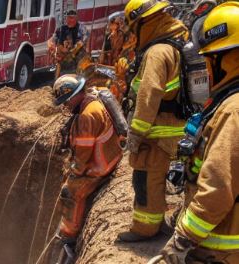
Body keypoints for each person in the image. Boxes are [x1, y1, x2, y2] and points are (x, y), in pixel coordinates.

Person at [159, 3, 239, 263]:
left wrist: (183, 238)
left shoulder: (233, 111)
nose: (205, 69)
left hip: (219, 252)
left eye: (207, 60)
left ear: (226, 59)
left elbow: (217, 190)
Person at [117, 0, 190, 242]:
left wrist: (136, 134)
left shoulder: (158, 52)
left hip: (157, 131)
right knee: (159, 177)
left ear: (143, 23)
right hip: (175, 127)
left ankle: (145, 230)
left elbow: (149, 94)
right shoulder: (178, 43)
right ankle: (162, 222)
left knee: (146, 178)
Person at [43, 75, 124, 264]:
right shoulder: (94, 102)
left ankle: (69, 236)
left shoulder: (86, 116)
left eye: (66, 101)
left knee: (70, 193)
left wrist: (72, 174)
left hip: (100, 167)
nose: (65, 106)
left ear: (74, 96)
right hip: (110, 156)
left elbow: (82, 159)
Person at [49, 10, 88, 79]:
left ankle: (80, 79)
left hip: (77, 52)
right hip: (64, 52)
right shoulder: (62, 28)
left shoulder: (81, 28)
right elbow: (53, 39)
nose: (69, 20)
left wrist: (76, 47)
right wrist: (54, 49)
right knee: (58, 58)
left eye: (71, 18)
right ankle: (57, 80)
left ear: (76, 19)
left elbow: (85, 38)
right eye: (68, 18)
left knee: (81, 54)